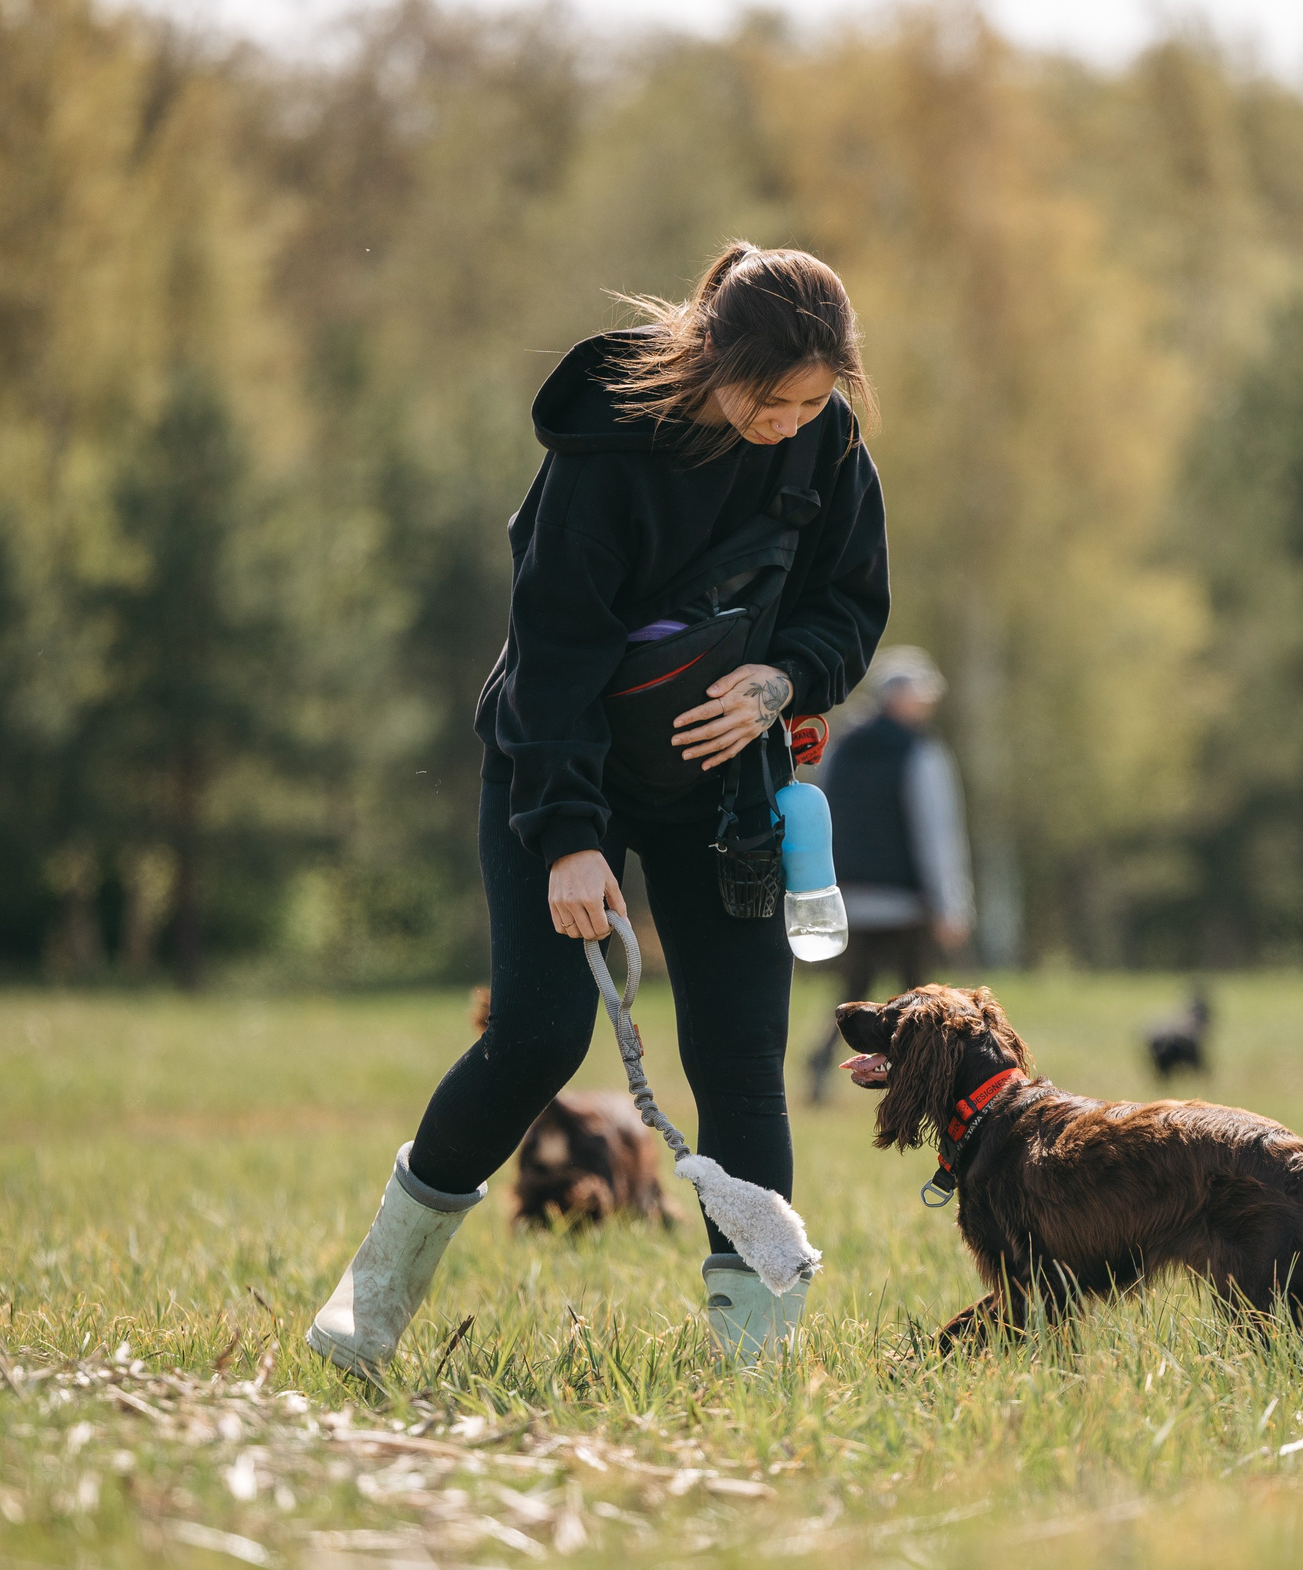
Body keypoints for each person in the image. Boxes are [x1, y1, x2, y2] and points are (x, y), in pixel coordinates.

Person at [306, 243, 888, 1372]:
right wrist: (571, 841)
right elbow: (551, 662)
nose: (793, 422)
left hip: (725, 788)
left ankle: (750, 1363)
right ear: (714, 361)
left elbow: (848, 609)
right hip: (556, 766)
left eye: (816, 402)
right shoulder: (606, 454)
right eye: (773, 400)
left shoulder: (827, 451)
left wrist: (780, 683)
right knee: (533, 1037)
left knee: (738, 1059)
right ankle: (367, 1308)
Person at [805, 646, 973, 1103]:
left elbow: (818, 821)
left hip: (850, 899)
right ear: (901, 698)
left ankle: (820, 1062)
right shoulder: (920, 752)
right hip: (906, 904)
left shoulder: (837, 747)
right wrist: (950, 906)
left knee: (852, 996)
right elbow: (936, 834)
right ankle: (925, 1085)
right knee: (922, 1003)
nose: (927, 704)